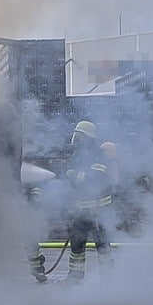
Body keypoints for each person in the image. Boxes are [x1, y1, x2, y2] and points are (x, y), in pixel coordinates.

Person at [63, 121, 113, 282]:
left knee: (103, 247)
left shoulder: (98, 156)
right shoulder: (78, 156)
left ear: (89, 138)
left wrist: (71, 174)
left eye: (80, 136)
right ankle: (75, 278)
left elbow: (94, 179)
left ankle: (107, 280)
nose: (76, 140)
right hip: (80, 212)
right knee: (77, 247)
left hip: (99, 212)